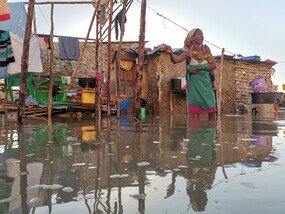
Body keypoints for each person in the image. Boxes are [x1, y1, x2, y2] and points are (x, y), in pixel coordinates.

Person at [164, 28, 217, 121]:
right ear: (192, 37)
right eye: (199, 34)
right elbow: (175, 60)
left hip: (206, 84)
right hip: (194, 84)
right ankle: (195, 134)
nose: (202, 36)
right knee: (195, 111)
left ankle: (211, 132)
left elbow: (214, 65)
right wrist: (171, 53)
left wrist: (200, 68)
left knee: (211, 110)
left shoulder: (206, 48)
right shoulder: (188, 53)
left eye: (202, 34)